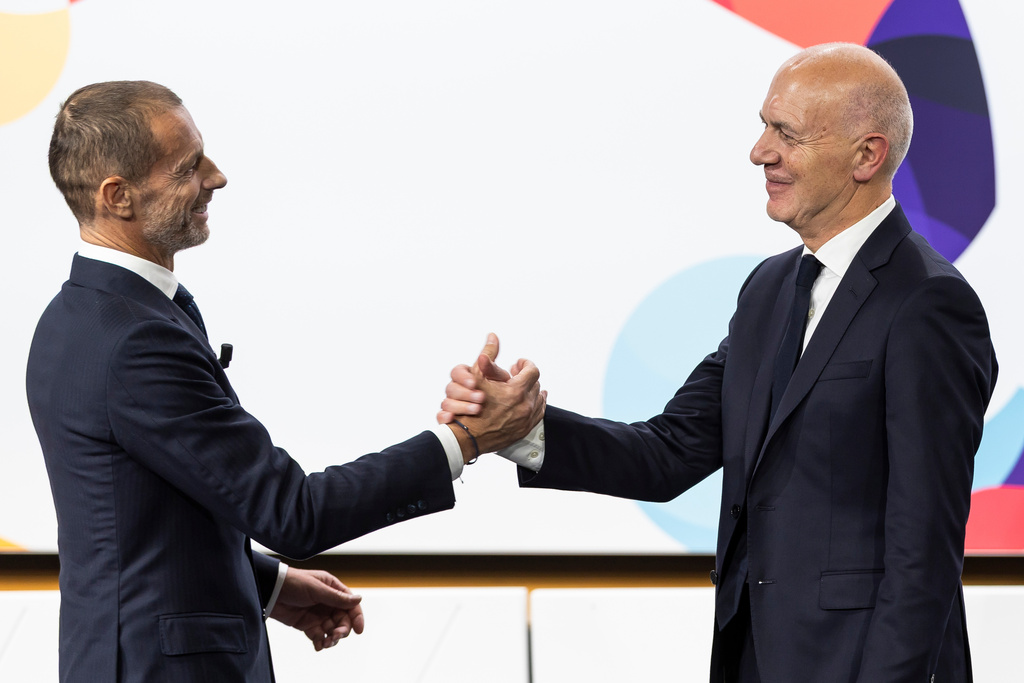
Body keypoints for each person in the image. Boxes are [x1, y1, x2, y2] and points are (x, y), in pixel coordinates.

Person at [441, 43, 997, 683]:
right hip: (752, 658)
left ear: (866, 156)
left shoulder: (928, 303)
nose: (759, 152)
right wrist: (521, 430)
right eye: (764, 127)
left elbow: (922, 549)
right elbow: (669, 451)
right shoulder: (769, 288)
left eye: (785, 133)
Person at [26, 80, 544, 683]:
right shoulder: (135, 339)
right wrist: (467, 438)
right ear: (118, 197)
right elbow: (292, 512)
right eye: (189, 166)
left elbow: (141, 520)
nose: (217, 178)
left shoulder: (78, 317)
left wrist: (267, 585)